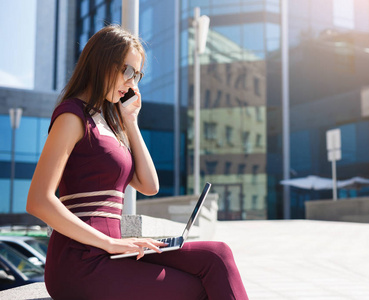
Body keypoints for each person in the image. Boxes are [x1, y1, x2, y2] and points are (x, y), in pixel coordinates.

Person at [27, 25, 249, 300]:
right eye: (128, 71)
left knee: (217, 255)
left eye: (138, 75)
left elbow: (149, 185)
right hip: (81, 261)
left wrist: (130, 122)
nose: (133, 84)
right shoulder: (72, 117)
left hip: (113, 250)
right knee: (196, 289)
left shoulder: (108, 122)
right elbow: (38, 200)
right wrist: (109, 243)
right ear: (102, 62)